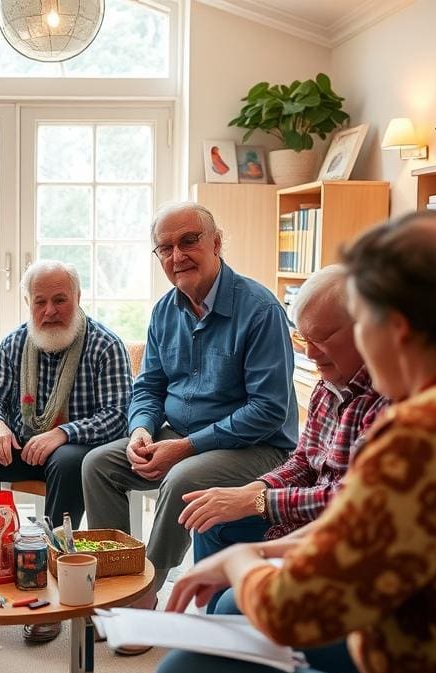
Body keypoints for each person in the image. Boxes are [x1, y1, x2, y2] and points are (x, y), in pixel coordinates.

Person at [155, 212, 436, 673]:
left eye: (359, 322)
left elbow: (295, 611)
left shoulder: (425, 432)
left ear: (398, 327)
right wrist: (264, 547)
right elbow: (367, 524)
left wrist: (243, 560)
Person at [82, 201, 298, 612]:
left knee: (182, 478)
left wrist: (185, 447)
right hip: (178, 436)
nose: (177, 255)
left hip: (258, 448)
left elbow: (269, 410)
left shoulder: (261, 309)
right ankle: (116, 579)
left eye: (189, 241)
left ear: (216, 243)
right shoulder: (164, 310)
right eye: (165, 248)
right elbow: (148, 385)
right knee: (98, 464)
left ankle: (146, 593)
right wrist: (142, 430)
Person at [181, 265, 387, 612]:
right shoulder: (328, 386)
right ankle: (217, 637)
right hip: (303, 522)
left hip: (343, 544)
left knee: (235, 603)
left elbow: (348, 502)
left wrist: (258, 503)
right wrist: (255, 490)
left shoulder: (387, 399)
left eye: (320, 339)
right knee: (212, 519)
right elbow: (304, 461)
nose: (309, 354)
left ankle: (231, 632)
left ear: (365, 329)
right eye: (303, 339)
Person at [0, 259, 132, 643]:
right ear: (27, 302)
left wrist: (64, 433)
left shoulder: (106, 344)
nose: (49, 311)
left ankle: (48, 576)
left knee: (69, 459)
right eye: (40, 302)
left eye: (60, 300)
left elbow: (118, 416)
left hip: (73, 453)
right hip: (22, 444)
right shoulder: (17, 341)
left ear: (78, 298)